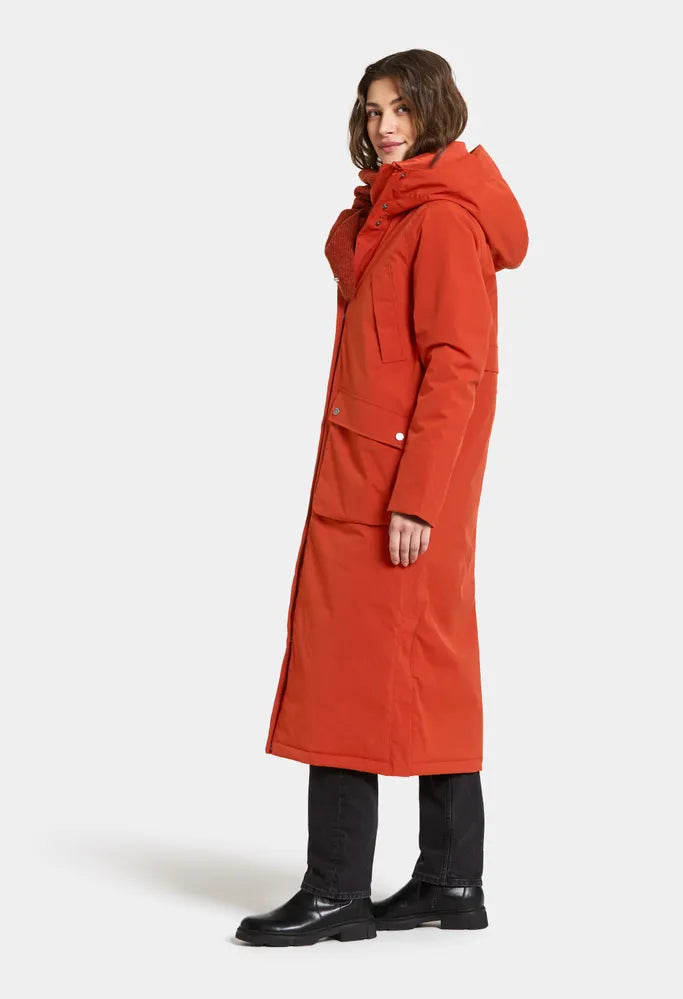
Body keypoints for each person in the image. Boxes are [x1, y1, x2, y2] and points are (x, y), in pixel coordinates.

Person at [235, 48, 528, 947]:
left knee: (342, 675)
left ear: (436, 110)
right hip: (386, 477)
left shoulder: (439, 222)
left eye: (400, 109)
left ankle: (336, 890)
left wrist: (417, 499)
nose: (384, 125)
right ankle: (451, 880)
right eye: (372, 111)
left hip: (394, 487)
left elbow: (457, 368)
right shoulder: (402, 212)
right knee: (432, 670)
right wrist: (372, 208)